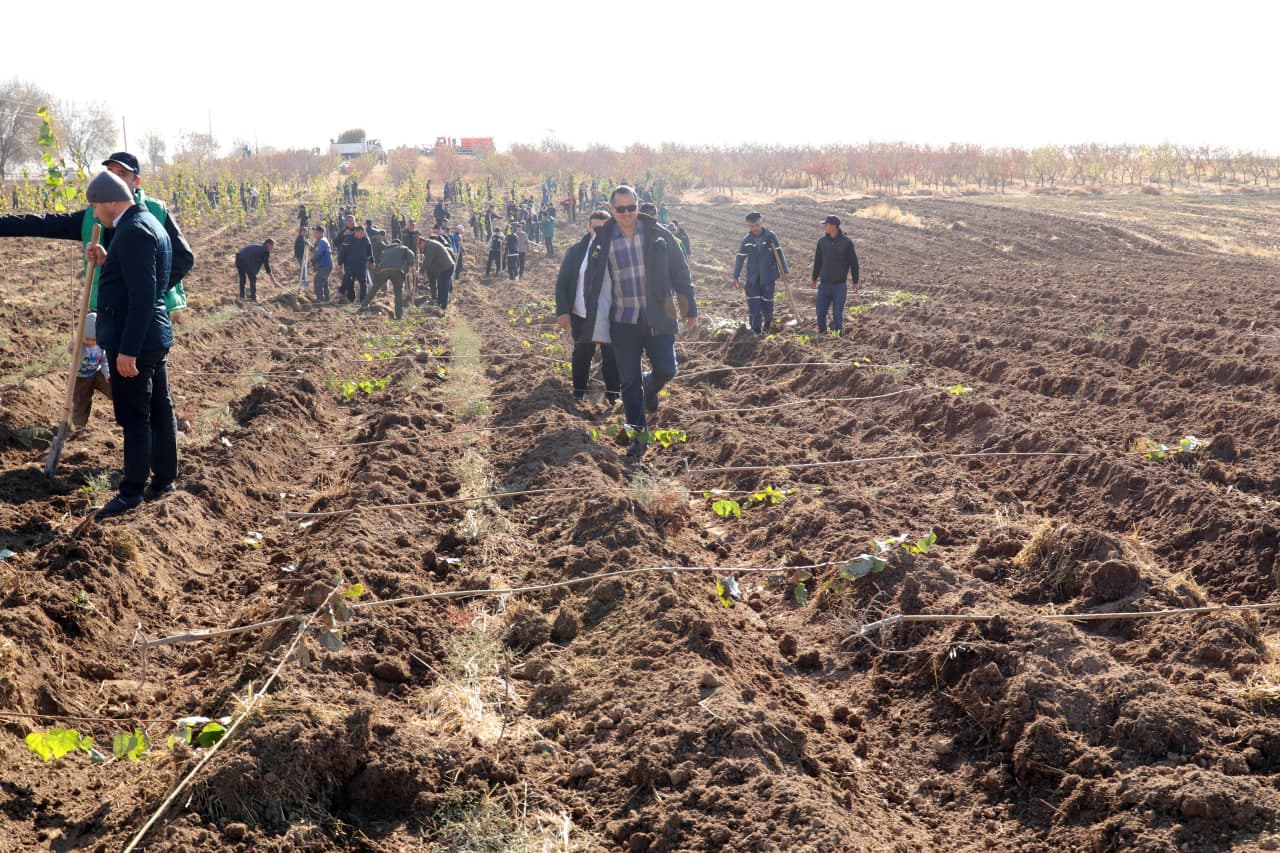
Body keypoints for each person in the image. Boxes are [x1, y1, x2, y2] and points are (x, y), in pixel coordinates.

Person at [82, 171, 177, 518]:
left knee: (136, 415)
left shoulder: (134, 231)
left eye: (95, 206)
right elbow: (140, 277)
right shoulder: (147, 221)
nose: (95, 214)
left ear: (110, 201)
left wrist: (128, 350)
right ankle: (165, 478)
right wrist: (110, 260)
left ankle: (131, 492)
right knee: (159, 408)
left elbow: (142, 296)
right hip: (153, 335)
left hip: (134, 339)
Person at [579, 186, 696, 457]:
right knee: (629, 381)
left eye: (631, 207)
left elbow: (680, 271)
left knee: (667, 369)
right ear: (612, 210)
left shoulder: (658, 235)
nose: (627, 213)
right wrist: (593, 323)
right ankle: (638, 437)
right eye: (621, 209)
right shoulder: (602, 240)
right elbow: (592, 283)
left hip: (657, 317)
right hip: (623, 321)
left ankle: (651, 385)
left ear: (638, 205)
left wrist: (689, 308)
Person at [0, 151, 193, 313]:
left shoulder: (155, 211)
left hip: (148, 312)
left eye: (123, 174)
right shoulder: (94, 215)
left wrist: (149, 293)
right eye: (110, 172)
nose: (115, 178)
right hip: (108, 309)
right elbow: (43, 224)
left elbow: (183, 257)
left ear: (137, 181)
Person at [556, 211, 620, 405]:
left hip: (611, 315)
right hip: (582, 314)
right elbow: (562, 282)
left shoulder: (618, 251)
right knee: (582, 354)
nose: (600, 231)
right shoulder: (577, 251)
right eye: (596, 227)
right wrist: (563, 311)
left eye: (604, 227)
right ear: (589, 227)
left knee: (612, 356)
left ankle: (612, 395)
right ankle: (579, 392)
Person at [732, 212, 790, 335]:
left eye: (757, 225)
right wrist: (735, 275)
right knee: (754, 305)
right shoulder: (746, 240)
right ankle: (756, 330)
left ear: (761, 223)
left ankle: (768, 324)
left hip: (768, 277)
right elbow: (740, 258)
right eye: (752, 226)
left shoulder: (770, 237)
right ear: (749, 226)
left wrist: (784, 271)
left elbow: (779, 254)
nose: (755, 228)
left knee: (768, 303)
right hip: (753, 278)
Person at [811, 215, 859, 336]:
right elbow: (818, 261)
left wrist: (855, 281)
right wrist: (814, 279)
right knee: (820, 312)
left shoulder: (846, 243)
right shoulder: (822, 242)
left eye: (826, 225)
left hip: (840, 285)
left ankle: (839, 336)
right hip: (824, 284)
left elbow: (854, 263)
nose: (824, 227)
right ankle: (822, 334)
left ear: (834, 226)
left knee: (837, 314)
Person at [71, 312, 111, 429]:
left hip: (95, 373)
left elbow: (104, 361)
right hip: (79, 378)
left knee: (112, 386)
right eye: (87, 339)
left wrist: (107, 373)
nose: (90, 342)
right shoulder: (80, 346)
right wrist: (74, 345)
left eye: (93, 340)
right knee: (81, 402)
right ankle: (79, 425)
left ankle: (124, 406)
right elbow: (71, 349)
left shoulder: (101, 346)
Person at [362, 238, 417, 319]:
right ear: (399, 244)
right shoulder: (403, 248)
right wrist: (412, 265)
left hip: (383, 270)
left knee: (375, 287)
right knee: (398, 292)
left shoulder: (385, 250)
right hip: (397, 271)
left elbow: (380, 261)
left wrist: (377, 271)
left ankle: (364, 304)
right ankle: (399, 315)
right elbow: (411, 253)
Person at [416, 234, 456, 310]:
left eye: (419, 246)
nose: (419, 248)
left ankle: (443, 306)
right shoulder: (428, 245)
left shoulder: (430, 246)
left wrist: (421, 271)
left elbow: (428, 261)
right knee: (440, 286)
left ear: (422, 242)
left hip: (446, 267)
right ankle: (439, 303)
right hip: (441, 268)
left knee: (444, 287)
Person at [339, 224, 374, 303]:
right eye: (360, 233)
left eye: (363, 233)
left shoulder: (366, 240)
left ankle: (363, 301)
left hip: (362, 264)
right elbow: (343, 252)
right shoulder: (348, 239)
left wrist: (371, 261)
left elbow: (369, 253)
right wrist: (340, 262)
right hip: (350, 264)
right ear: (356, 232)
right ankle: (350, 298)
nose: (362, 235)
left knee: (363, 283)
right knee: (349, 280)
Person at [310, 224, 333, 302]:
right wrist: (311, 248)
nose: (314, 234)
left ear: (321, 233)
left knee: (318, 281)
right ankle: (326, 299)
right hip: (325, 264)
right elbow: (317, 250)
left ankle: (320, 299)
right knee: (324, 282)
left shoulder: (322, 241)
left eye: (316, 232)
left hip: (325, 265)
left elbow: (319, 253)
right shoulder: (320, 241)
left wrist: (313, 260)